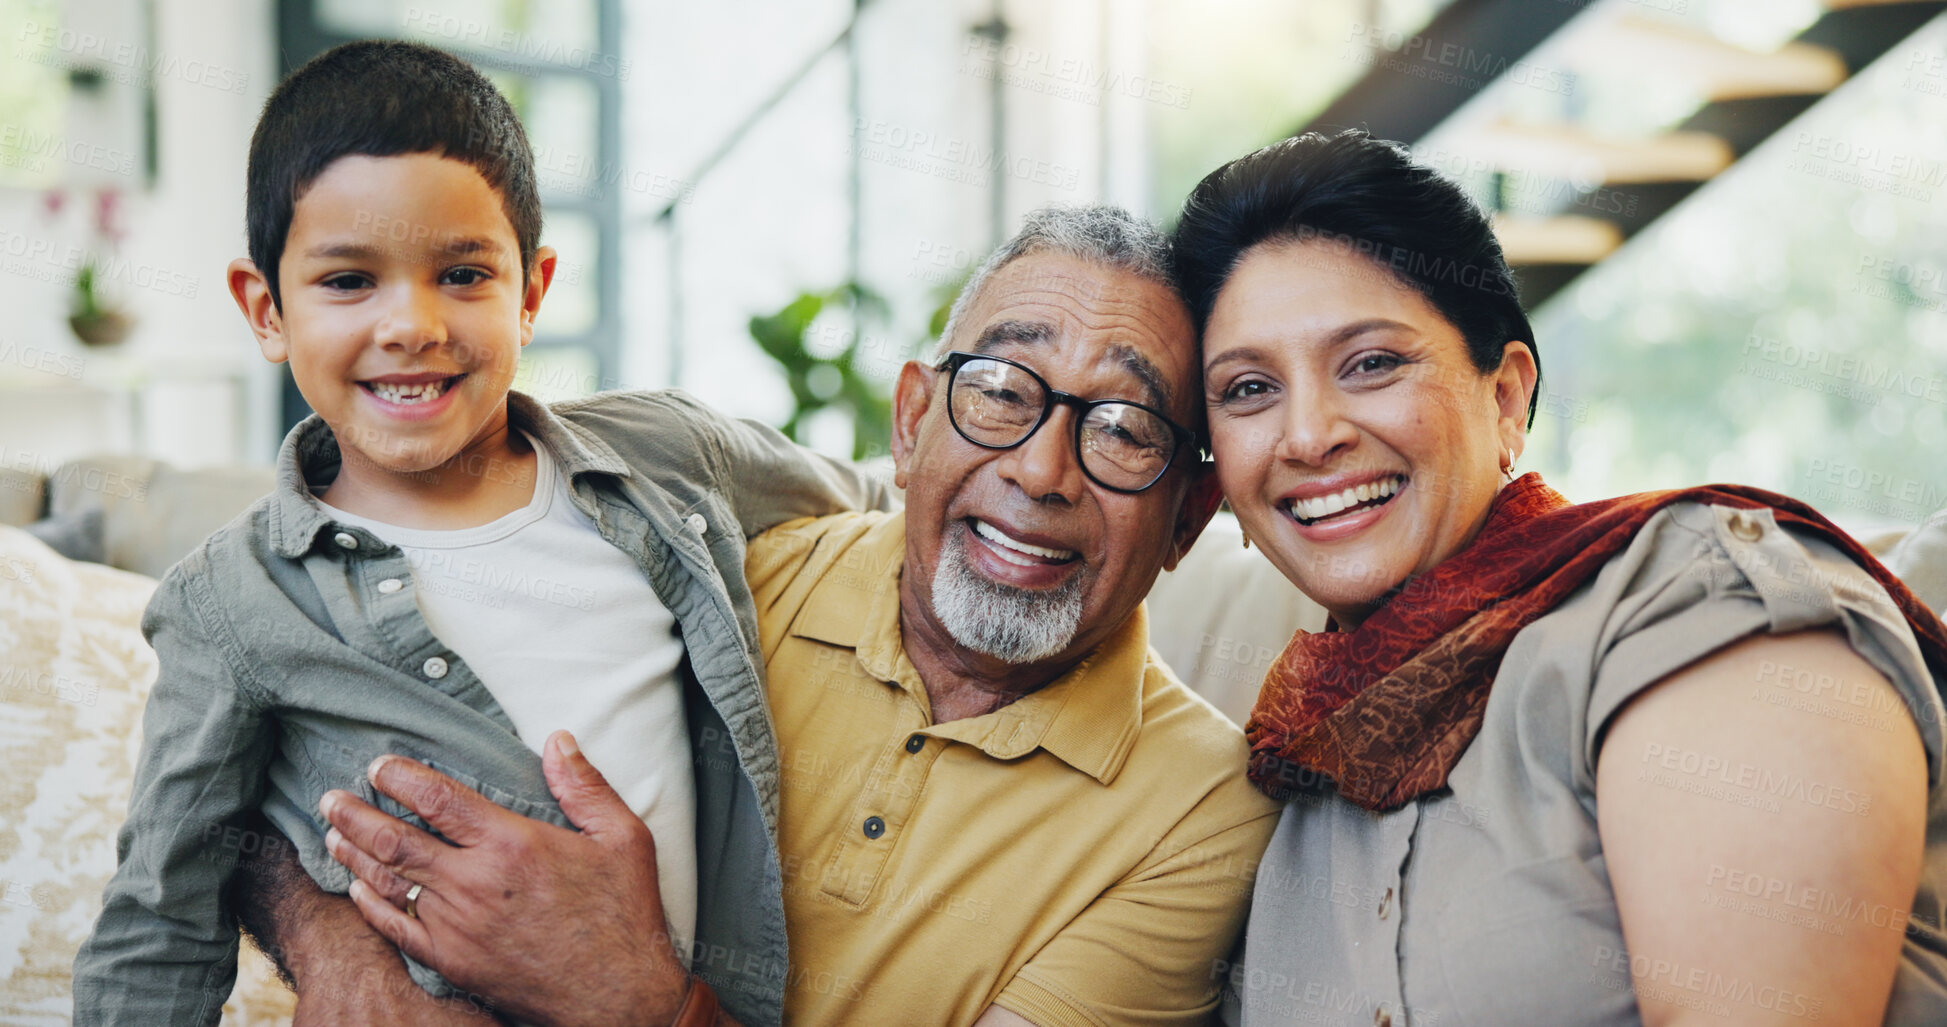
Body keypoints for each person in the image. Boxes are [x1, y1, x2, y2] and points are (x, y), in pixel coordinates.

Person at [277, 206, 1282, 1026]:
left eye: (1124, 430)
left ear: (1189, 517)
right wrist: (339, 955)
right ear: (912, 419)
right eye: (1003, 392)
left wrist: (636, 1002)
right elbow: (278, 726)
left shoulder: (1200, 811)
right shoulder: (727, 578)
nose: (1040, 469)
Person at [71, 41, 890, 1027]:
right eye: (348, 281)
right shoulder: (231, 600)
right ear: (266, 309)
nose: (412, 324)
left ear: (532, 291)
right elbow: (161, 913)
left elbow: (874, 499)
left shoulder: (667, 455)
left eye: (462, 273)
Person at [1172, 129, 1947, 1026]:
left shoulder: (1691, 601)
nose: (1307, 435)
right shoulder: (1292, 770)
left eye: (1372, 363)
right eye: (1246, 390)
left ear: (1504, 397)